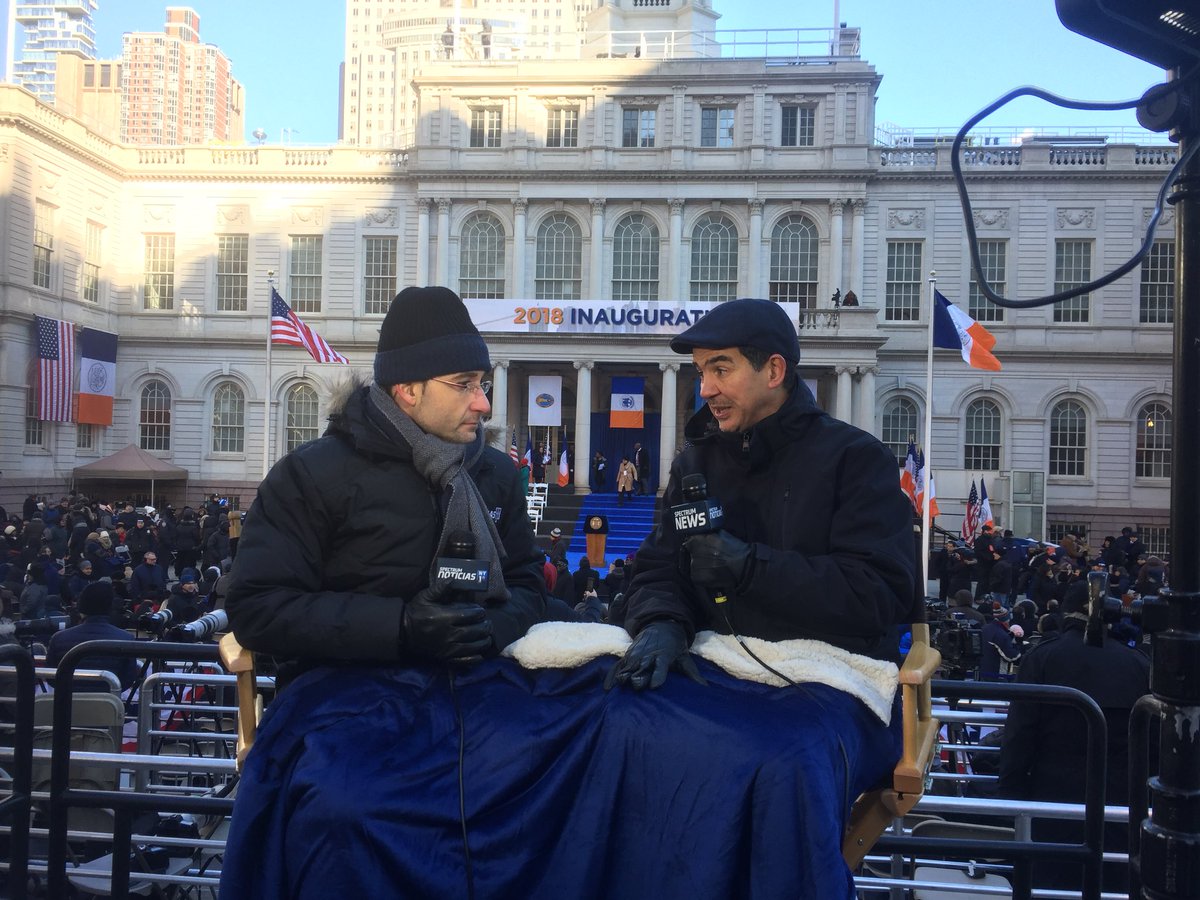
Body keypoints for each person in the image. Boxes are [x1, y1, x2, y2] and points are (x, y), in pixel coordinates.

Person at [606, 299, 915, 893]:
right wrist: (663, 621)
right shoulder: (696, 461)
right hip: (718, 669)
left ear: (774, 370)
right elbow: (659, 567)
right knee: (617, 724)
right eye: (701, 372)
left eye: (720, 369)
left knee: (777, 762)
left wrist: (751, 568)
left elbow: (879, 594)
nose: (706, 389)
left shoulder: (857, 460)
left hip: (830, 679)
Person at [226, 284, 547, 678]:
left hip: (477, 688)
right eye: (464, 384)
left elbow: (527, 584)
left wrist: (488, 629)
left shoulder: (494, 472)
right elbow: (257, 607)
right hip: (343, 693)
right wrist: (400, 627)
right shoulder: (310, 475)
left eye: (483, 383)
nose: (483, 403)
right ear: (408, 389)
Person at [998, 578, 1150, 891]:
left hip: (1052, 800)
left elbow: (1019, 735)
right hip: (1120, 804)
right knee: (1114, 884)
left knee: (1050, 885)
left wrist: (1010, 796)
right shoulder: (1138, 664)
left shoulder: (1042, 658)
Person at [46, 580, 140, 691]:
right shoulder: (126, 638)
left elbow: (51, 677)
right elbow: (128, 679)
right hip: (108, 699)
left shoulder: (58, 638)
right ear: (110, 606)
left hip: (67, 699)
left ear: (82, 606)